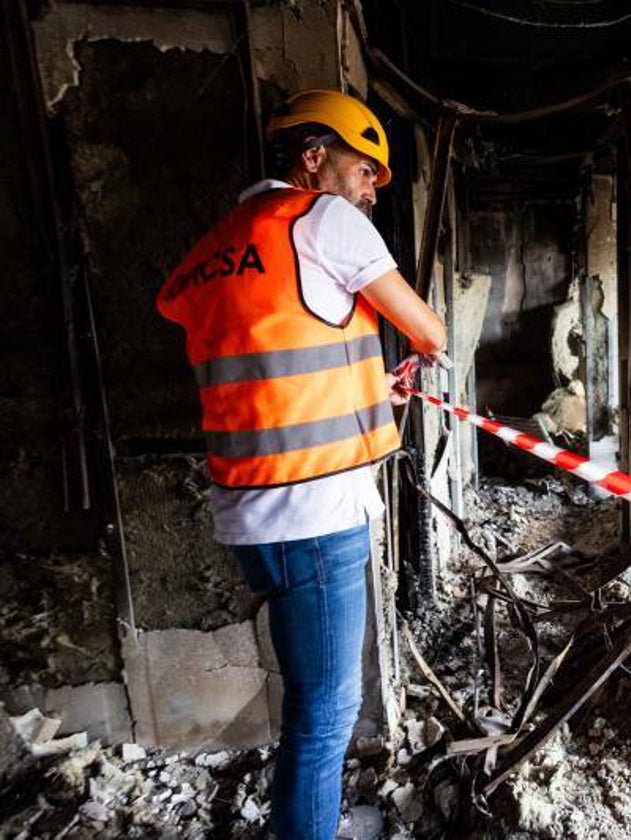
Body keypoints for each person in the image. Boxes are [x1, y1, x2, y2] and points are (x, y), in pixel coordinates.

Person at [157, 89, 445, 839]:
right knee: (326, 712)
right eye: (363, 166)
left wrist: (359, 384)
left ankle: (312, 815)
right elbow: (429, 329)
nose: (373, 184)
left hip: (252, 510)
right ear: (313, 159)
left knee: (314, 702)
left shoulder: (222, 244)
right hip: (313, 512)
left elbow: (273, 357)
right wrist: (417, 353)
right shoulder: (322, 220)